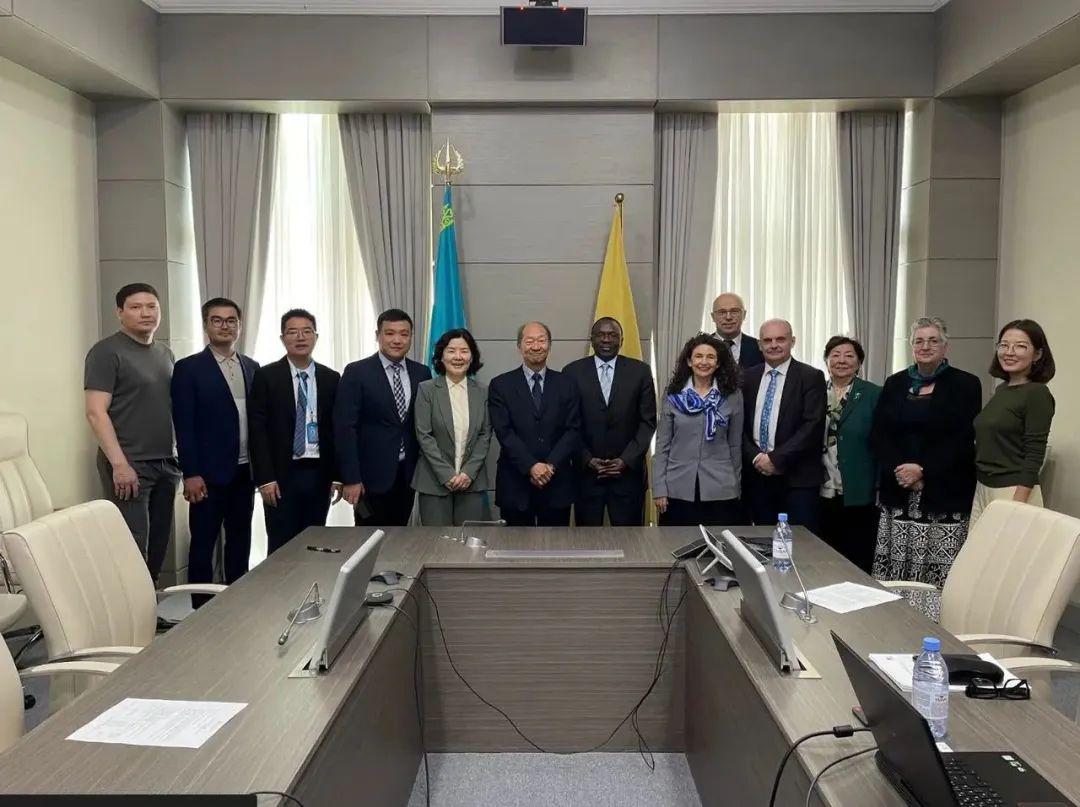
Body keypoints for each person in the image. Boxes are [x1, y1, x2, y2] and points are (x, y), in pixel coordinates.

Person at [871, 317, 981, 613]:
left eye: (933, 340)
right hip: (899, 491)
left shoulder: (966, 384)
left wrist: (923, 470)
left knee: (937, 570)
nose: (925, 346)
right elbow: (879, 434)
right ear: (911, 346)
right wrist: (902, 469)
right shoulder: (895, 383)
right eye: (919, 341)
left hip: (943, 493)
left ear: (945, 346)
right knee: (896, 567)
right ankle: (893, 619)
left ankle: (934, 622)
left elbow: (963, 437)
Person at [84, 283, 181, 581]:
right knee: (133, 545)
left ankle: (149, 603)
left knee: (158, 545)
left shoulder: (165, 353)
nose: (145, 313)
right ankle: (130, 608)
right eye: (136, 307)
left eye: (151, 306)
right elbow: (95, 412)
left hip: (166, 462)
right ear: (120, 312)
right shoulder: (106, 352)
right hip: (129, 463)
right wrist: (119, 464)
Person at [171, 298, 259, 592]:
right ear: (206, 325)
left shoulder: (252, 367)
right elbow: (184, 425)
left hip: (244, 472)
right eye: (217, 320)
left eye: (231, 320)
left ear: (239, 326)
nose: (225, 326)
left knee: (240, 541)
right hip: (206, 476)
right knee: (203, 545)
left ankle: (238, 600)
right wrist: (190, 473)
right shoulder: (188, 368)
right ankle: (200, 608)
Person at [248, 309, 340, 554]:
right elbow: (257, 431)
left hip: (319, 473)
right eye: (292, 332)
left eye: (307, 331)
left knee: (315, 541)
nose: (300, 337)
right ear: (282, 338)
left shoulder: (331, 378)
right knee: (281, 545)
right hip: (280, 475)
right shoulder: (266, 376)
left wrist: (337, 475)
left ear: (316, 336)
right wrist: (265, 478)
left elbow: (336, 430)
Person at [335, 309, 432, 527]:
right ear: (377, 335)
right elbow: (345, 429)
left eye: (404, 334)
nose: (397, 340)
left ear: (411, 337)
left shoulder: (422, 373)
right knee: (370, 539)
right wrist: (350, 478)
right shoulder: (357, 372)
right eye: (390, 333)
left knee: (400, 537)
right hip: (368, 479)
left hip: (407, 476)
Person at [562, 317, 656, 526]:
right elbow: (568, 424)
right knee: (587, 540)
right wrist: (587, 459)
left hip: (628, 477)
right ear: (592, 339)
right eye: (601, 335)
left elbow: (647, 422)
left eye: (613, 335)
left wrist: (625, 460)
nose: (606, 340)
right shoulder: (572, 372)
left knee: (631, 540)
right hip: (586, 477)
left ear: (621, 340)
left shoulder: (640, 371)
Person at [488, 322, 581, 527]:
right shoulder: (500, 385)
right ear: (519, 346)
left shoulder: (567, 384)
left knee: (557, 544)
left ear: (550, 345)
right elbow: (504, 432)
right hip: (515, 482)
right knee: (514, 545)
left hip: (557, 482)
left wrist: (550, 465)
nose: (536, 346)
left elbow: (573, 429)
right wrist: (531, 466)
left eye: (541, 340)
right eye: (529, 341)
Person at [741, 319, 827, 531]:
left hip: (797, 480)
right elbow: (739, 426)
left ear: (792, 341)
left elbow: (812, 426)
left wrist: (774, 459)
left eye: (780, 339)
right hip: (757, 477)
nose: (773, 345)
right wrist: (756, 457)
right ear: (759, 344)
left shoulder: (811, 376)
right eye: (767, 340)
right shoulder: (747, 377)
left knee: (800, 544)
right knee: (761, 541)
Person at [652, 333, 743, 526]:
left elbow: (735, 446)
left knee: (718, 542)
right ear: (689, 361)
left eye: (710, 357)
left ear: (718, 363)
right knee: (677, 542)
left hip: (721, 488)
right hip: (677, 487)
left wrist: (735, 485)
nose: (704, 362)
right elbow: (662, 447)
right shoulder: (673, 395)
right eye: (698, 356)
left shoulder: (732, 396)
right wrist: (659, 489)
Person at [972, 319, 1056, 523]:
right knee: (978, 545)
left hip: (1013, 491)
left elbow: (1035, 453)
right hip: (983, 487)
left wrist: (1016, 505)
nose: (1009, 352)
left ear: (1037, 354)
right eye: (1004, 345)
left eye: (1020, 346)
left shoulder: (1037, 393)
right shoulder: (1002, 389)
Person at [413, 329, 492, 526]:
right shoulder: (427, 389)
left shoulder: (483, 391)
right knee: (437, 540)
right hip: (433, 482)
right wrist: (447, 475)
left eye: (464, 351)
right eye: (451, 351)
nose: (458, 357)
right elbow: (424, 435)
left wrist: (468, 473)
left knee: (469, 540)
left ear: (472, 357)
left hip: (471, 482)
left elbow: (485, 435)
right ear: (441, 356)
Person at [818, 336, 882, 573]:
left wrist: (879, 484)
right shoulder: (816, 391)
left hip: (858, 486)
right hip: (821, 485)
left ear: (859, 363)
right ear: (827, 361)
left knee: (857, 554)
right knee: (824, 553)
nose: (841, 360)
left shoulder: (873, 393)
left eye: (849, 355)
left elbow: (883, 442)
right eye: (835, 355)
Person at [709, 292, 763, 368]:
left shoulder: (758, 348)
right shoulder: (700, 347)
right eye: (722, 312)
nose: (728, 317)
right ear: (713, 317)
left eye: (734, 311)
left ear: (744, 315)